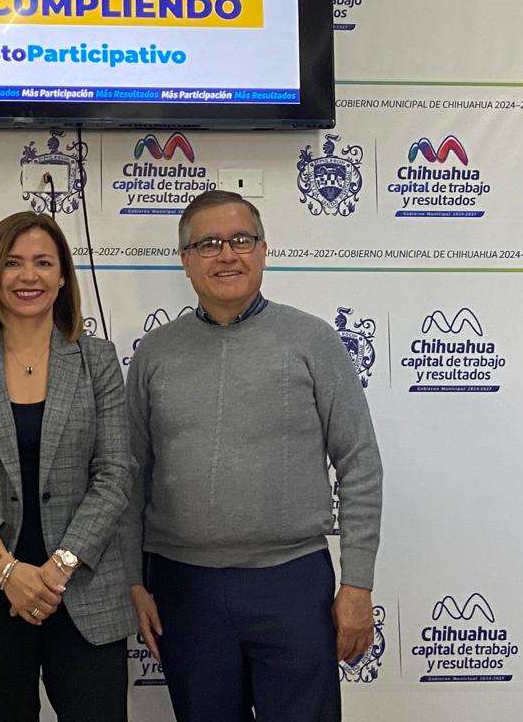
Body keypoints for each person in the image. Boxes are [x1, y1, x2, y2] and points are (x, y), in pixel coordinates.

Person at [121, 189, 382, 722]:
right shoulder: (154, 353)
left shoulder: (312, 340)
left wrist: (357, 583)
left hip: (291, 582)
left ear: (263, 250)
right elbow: (129, 475)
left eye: (241, 240)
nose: (227, 255)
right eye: (208, 244)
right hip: (183, 587)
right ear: (186, 260)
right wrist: (133, 580)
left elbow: (359, 463)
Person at [0, 211, 135, 722]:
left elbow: (115, 473)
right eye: (13, 263)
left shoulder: (98, 360)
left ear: (63, 276)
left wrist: (58, 567)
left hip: (83, 592)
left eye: (43, 263)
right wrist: (7, 569)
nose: (29, 276)